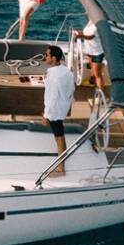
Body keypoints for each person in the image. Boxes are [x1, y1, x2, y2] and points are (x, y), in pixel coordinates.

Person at [42, 45, 74, 177]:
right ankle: (64, 156)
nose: (45, 57)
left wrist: (46, 115)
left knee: (58, 137)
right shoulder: (67, 71)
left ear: (54, 58)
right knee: (60, 134)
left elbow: (52, 97)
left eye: (47, 55)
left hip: (54, 111)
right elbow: (71, 90)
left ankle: (61, 169)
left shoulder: (54, 76)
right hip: (62, 108)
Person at [77, 19, 106, 92]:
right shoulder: (91, 21)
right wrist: (78, 32)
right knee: (91, 67)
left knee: (97, 74)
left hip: (97, 52)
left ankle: (100, 94)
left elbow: (90, 37)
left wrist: (80, 36)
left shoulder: (98, 24)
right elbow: (86, 32)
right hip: (90, 51)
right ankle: (92, 82)